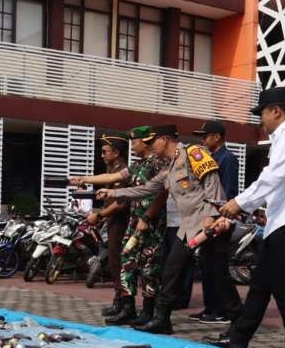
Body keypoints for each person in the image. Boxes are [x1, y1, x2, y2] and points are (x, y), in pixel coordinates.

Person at [209, 87, 285, 348]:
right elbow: (282, 182)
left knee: (282, 285)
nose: (260, 120)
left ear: (276, 111)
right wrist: (262, 210)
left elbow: (276, 175)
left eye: (262, 113)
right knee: (261, 283)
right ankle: (239, 337)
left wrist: (241, 202)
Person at [98, 124, 226, 334]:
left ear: (164, 139)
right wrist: (114, 194)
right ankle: (162, 318)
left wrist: (211, 215)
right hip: (189, 226)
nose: (150, 146)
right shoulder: (170, 166)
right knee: (173, 271)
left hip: (207, 225)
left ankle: (237, 318)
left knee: (217, 275)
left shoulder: (194, 153)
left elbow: (212, 182)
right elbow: (147, 188)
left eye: (152, 142)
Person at [72, 126, 167, 326]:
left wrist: (148, 217)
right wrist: (86, 179)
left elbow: (161, 194)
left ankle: (151, 313)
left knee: (149, 268)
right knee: (127, 262)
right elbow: (112, 178)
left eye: (135, 142)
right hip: (134, 221)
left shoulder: (159, 164)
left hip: (150, 224)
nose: (132, 146)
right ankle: (128, 307)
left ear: (145, 142)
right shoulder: (136, 165)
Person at [191, 119, 243, 324]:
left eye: (205, 136)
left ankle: (228, 310)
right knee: (206, 264)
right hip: (206, 219)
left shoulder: (227, 158)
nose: (202, 141)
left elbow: (228, 192)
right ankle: (211, 308)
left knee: (218, 266)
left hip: (220, 219)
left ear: (217, 137)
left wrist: (221, 218)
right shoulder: (208, 158)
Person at [86, 136, 130, 317]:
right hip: (113, 221)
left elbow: (120, 203)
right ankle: (119, 301)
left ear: (117, 153)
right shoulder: (113, 168)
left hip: (120, 221)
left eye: (105, 152)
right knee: (113, 264)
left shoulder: (123, 170)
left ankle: (124, 304)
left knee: (118, 264)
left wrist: (99, 215)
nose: (102, 155)